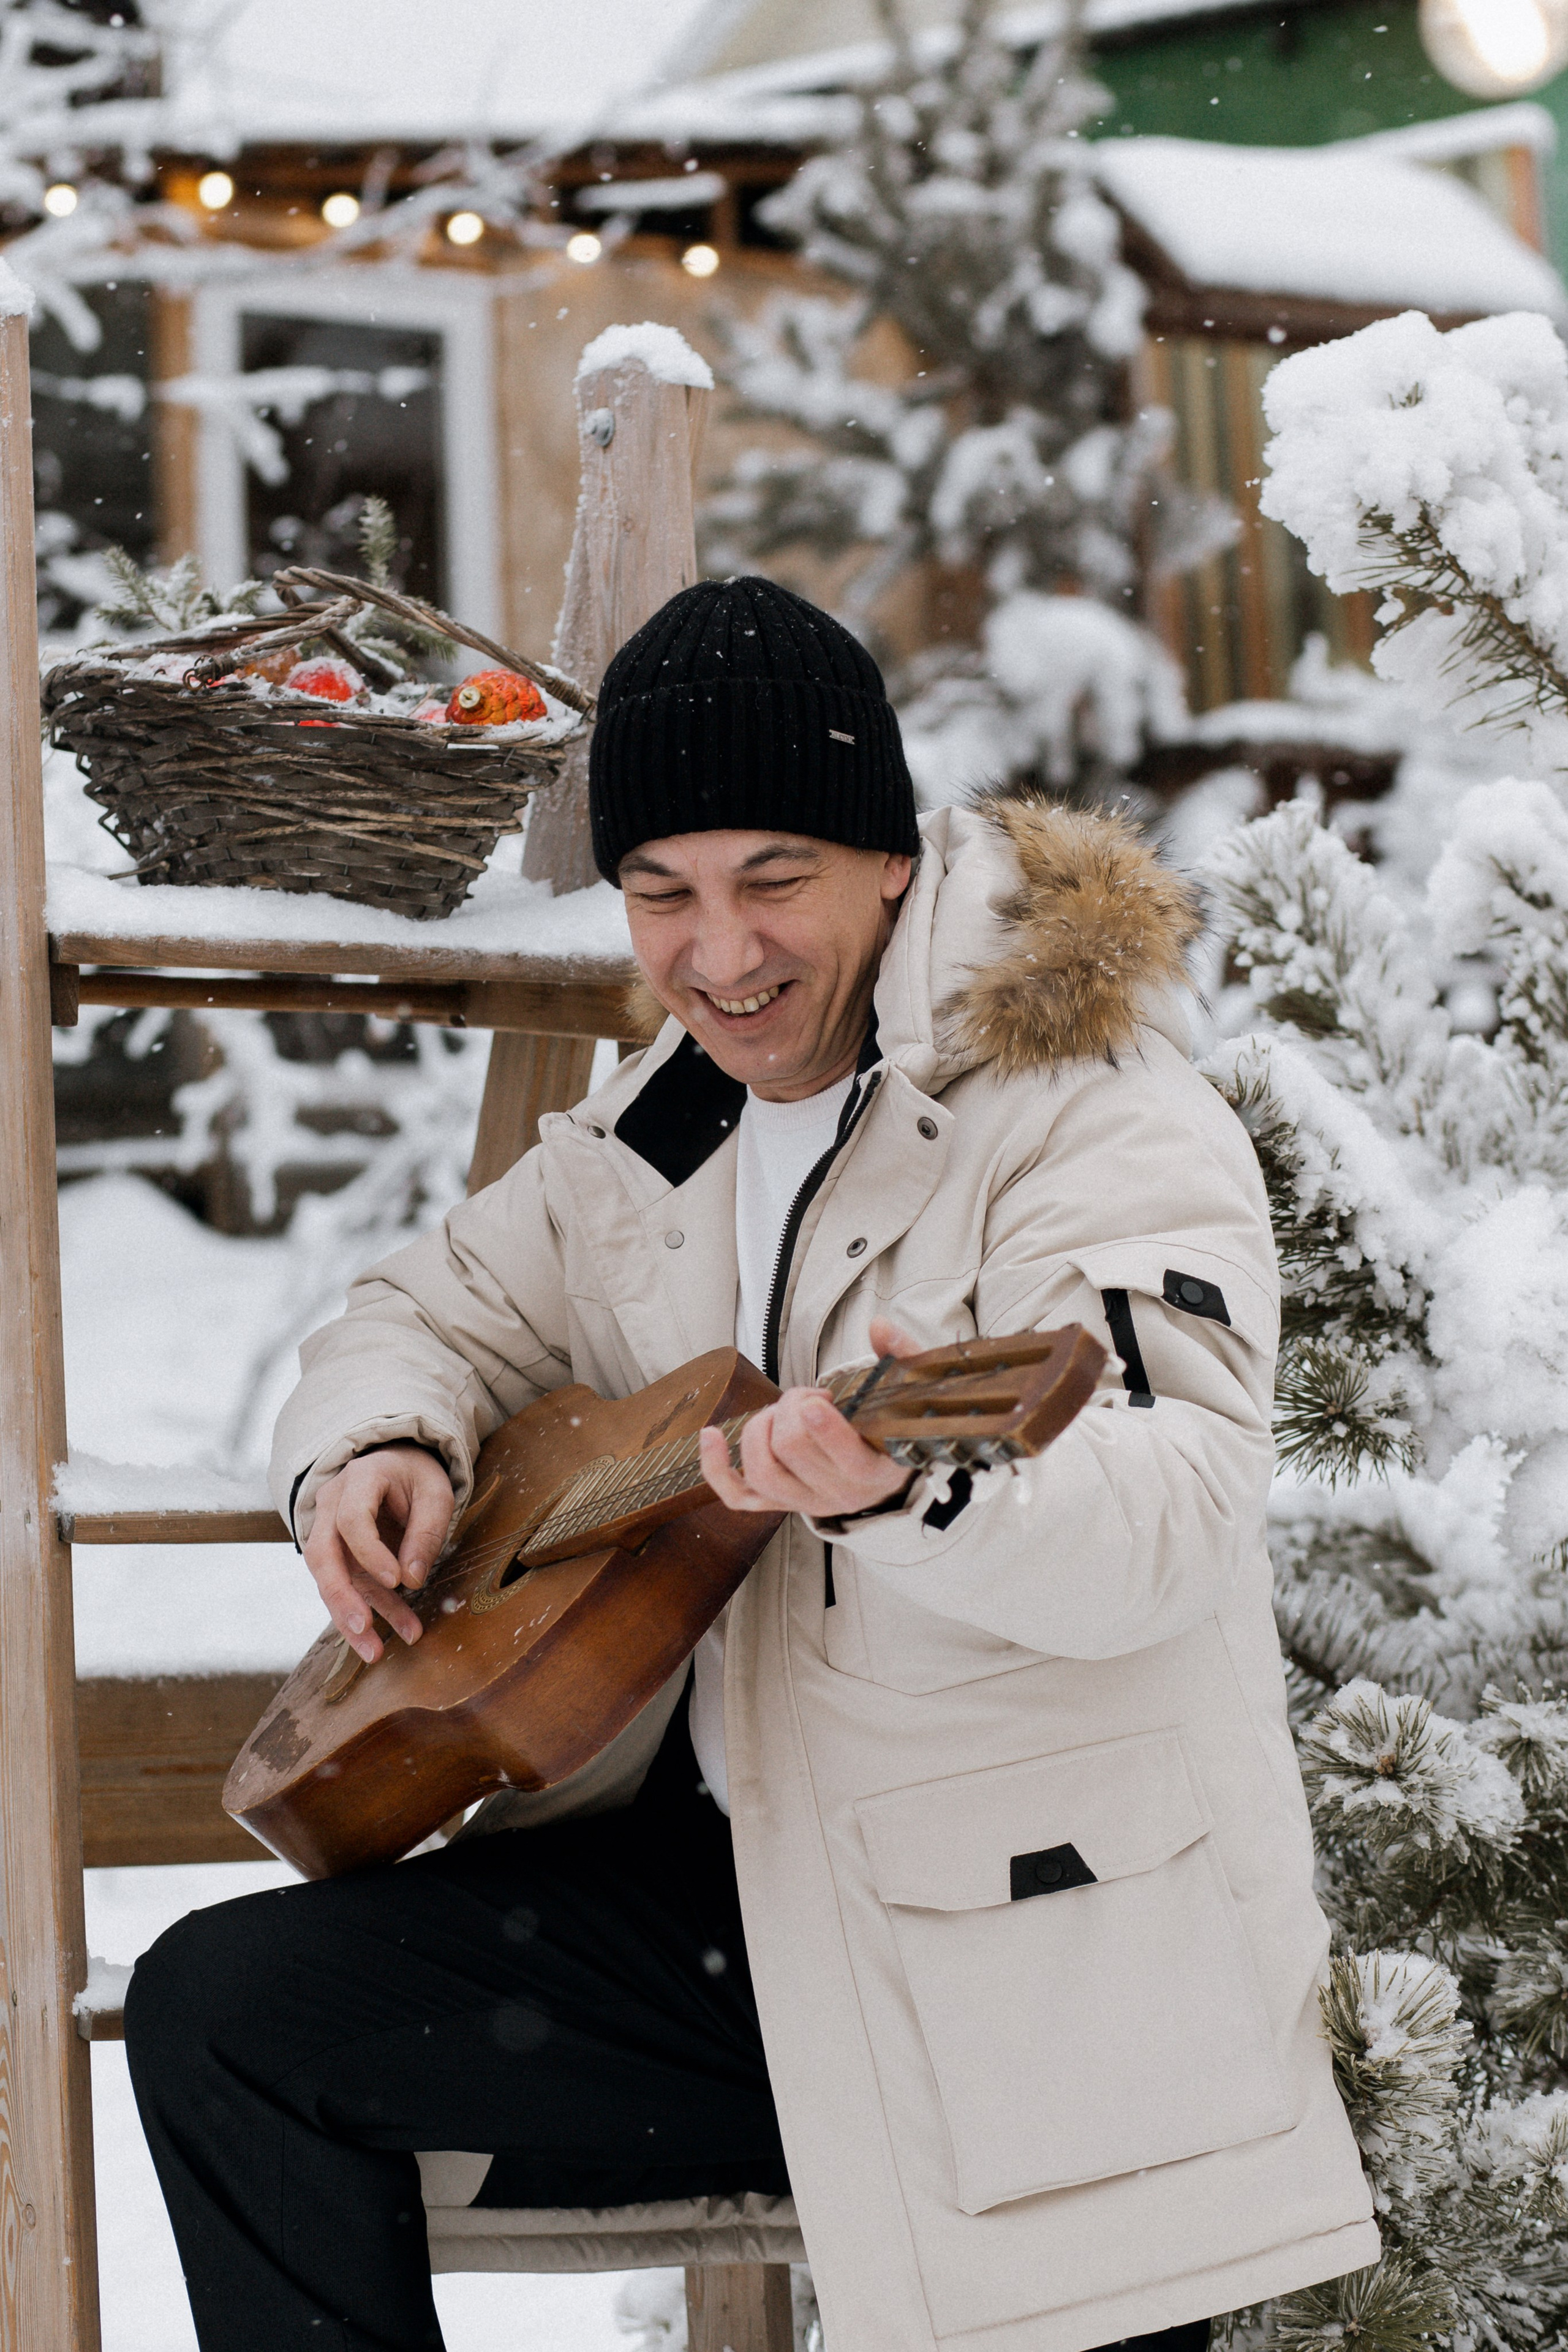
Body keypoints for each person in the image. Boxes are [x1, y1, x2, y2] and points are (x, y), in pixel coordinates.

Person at [126, 576, 1378, 2352]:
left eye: (772, 880)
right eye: (662, 895)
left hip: (1030, 1969)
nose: (718, 956)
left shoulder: (1090, 1106)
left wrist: (918, 1489)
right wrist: (376, 1444)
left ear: (891, 857)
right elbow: (436, 1303)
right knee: (230, 2017)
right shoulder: (679, 1112)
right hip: (734, 1930)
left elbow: (1168, 1519)